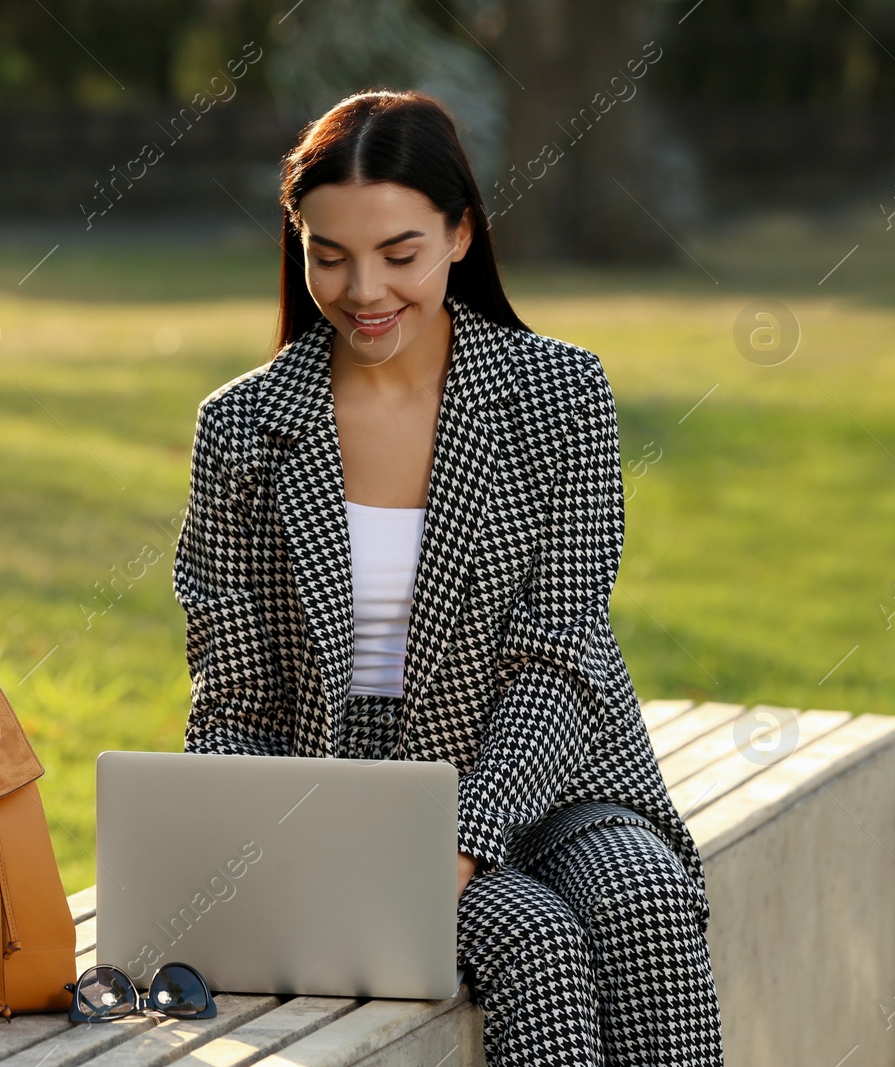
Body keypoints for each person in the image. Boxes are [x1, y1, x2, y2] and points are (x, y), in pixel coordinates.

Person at [171, 89, 725, 1065]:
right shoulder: (243, 428)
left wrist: (463, 836)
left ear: (461, 234)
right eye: (328, 255)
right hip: (358, 795)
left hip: (558, 769)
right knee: (534, 938)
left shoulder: (560, 395)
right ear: (296, 241)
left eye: (399, 254)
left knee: (640, 894)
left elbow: (557, 656)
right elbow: (235, 698)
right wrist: (268, 854)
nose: (361, 292)